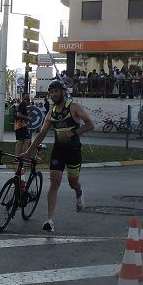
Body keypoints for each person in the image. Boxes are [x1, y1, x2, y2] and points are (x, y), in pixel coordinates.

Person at [24, 81, 95, 233]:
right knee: (54, 183)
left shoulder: (74, 107)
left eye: (56, 91)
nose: (54, 94)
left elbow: (90, 124)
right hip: (58, 152)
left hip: (74, 151)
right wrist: (28, 151)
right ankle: (50, 220)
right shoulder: (51, 113)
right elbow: (41, 134)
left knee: (72, 183)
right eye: (51, 92)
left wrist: (74, 132)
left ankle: (78, 192)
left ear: (63, 92)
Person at [13, 93, 32, 159]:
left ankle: (22, 157)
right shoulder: (22, 104)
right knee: (21, 141)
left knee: (25, 141)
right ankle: (19, 157)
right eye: (26, 97)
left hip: (22, 125)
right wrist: (27, 117)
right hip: (20, 125)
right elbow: (18, 114)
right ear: (23, 97)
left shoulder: (26, 105)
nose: (28, 98)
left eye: (28, 97)